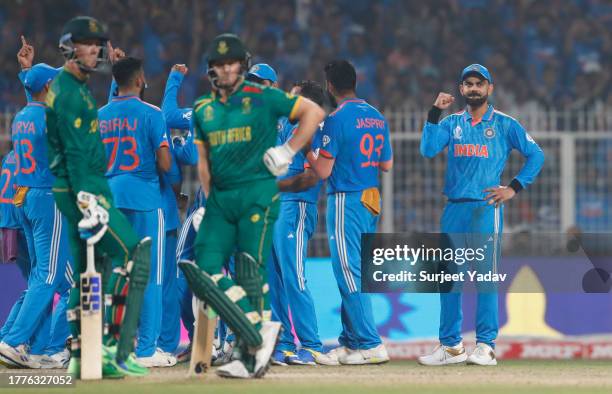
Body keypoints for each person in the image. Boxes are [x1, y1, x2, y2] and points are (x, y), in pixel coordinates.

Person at [182, 33, 324, 378]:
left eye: (230, 63)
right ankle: (256, 336)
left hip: (259, 200)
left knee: (250, 272)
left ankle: (251, 350)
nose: (224, 70)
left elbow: (313, 112)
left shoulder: (264, 98)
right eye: (218, 64)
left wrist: (287, 151)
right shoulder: (204, 109)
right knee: (204, 273)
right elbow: (204, 163)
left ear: (241, 67)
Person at [44, 16, 151, 378]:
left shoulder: (70, 86)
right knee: (133, 253)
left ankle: (80, 353)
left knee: (92, 273)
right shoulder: (71, 93)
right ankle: (116, 349)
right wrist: (88, 201)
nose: (95, 50)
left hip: (75, 187)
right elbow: (75, 155)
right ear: (68, 46)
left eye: (97, 44)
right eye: (87, 43)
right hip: (85, 187)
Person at [417, 64, 544, 366]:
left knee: (485, 278)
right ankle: (450, 347)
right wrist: (434, 112)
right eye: (468, 84)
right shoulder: (451, 123)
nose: (473, 88)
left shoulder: (503, 123)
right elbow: (427, 149)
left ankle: (486, 346)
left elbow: (536, 155)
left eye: (479, 84)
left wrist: (513, 187)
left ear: (490, 88)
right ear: (461, 89)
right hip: (454, 209)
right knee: (448, 278)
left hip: (486, 208)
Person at [307, 59, 392, 365]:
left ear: (330, 87)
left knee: (348, 270)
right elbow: (386, 165)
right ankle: (351, 342)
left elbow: (324, 170)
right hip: (372, 199)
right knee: (356, 269)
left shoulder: (336, 119)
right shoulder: (376, 116)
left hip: (347, 199)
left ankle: (371, 343)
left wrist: (306, 148)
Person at [98, 56, 173, 367]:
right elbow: (166, 163)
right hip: (144, 198)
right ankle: (146, 350)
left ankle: (111, 343)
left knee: (116, 275)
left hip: (111, 199)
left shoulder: (99, 115)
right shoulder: (152, 114)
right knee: (151, 274)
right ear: (141, 78)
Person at [269, 80, 333, 366]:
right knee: (276, 279)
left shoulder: (316, 128)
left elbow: (311, 177)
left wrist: (273, 188)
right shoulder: (284, 123)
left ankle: (312, 345)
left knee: (294, 276)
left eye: (293, 99)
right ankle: (283, 344)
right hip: (275, 208)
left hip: (297, 207)